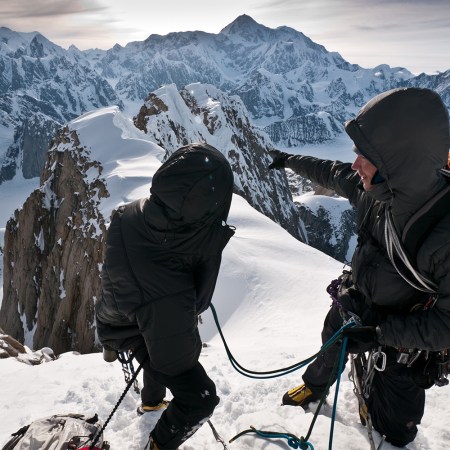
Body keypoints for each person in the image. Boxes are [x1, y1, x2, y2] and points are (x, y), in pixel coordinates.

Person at [268, 87, 450, 447]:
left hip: (404, 341)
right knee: (331, 341)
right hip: (358, 303)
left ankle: (379, 412)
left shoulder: (444, 233)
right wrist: (287, 159)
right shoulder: (374, 191)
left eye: (365, 156)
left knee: (397, 432)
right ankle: (316, 384)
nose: (355, 165)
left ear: (398, 162)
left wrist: (381, 332)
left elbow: (446, 326)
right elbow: (330, 171)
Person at [95, 143, 235, 450]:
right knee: (198, 397)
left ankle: (152, 404)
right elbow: (186, 374)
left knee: (156, 345)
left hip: (121, 313)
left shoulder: (132, 213)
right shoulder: (168, 293)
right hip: (134, 324)